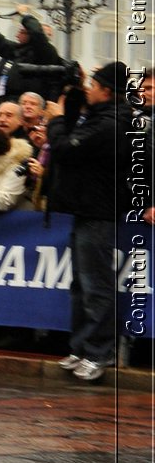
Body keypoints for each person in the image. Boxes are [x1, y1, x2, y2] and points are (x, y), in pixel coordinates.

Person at [47, 62, 132, 383]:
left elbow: (65, 149)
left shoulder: (110, 124)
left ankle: (99, 352)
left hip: (99, 211)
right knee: (80, 285)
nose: (89, 90)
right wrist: (69, 105)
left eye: (94, 85)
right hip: (86, 208)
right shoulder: (101, 118)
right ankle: (81, 347)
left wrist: (55, 120)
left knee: (96, 285)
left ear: (107, 91)